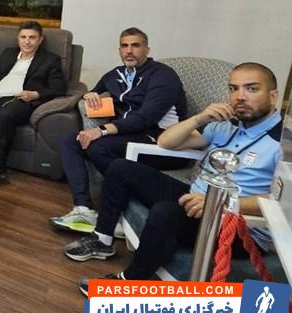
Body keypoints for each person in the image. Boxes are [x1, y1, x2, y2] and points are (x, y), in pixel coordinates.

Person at [66, 63, 282, 294]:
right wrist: (199, 118)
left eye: (251, 89)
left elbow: (283, 202)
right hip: (194, 198)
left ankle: (128, 284)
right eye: (233, 89)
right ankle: (102, 240)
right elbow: (166, 142)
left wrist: (220, 203)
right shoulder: (225, 126)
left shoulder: (283, 144)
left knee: (165, 212)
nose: (240, 97)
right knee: (121, 168)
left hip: (239, 225)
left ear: (273, 96)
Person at [50, 28, 188, 233]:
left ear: (147, 49)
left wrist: (102, 130)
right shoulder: (115, 74)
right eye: (124, 46)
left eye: (135, 45)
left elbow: (146, 117)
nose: (129, 51)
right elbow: (94, 90)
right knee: (71, 141)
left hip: (161, 141)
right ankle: (83, 208)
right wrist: (90, 95)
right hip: (127, 136)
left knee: (97, 147)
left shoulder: (163, 75)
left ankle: (125, 211)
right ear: (119, 50)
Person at [0, 20, 67, 179]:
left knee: (5, 114)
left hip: (23, 102)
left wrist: (36, 94)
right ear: (18, 38)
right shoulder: (8, 54)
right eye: (23, 37)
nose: (27, 42)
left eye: (32, 37)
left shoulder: (50, 60)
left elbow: (59, 87)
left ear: (40, 40)